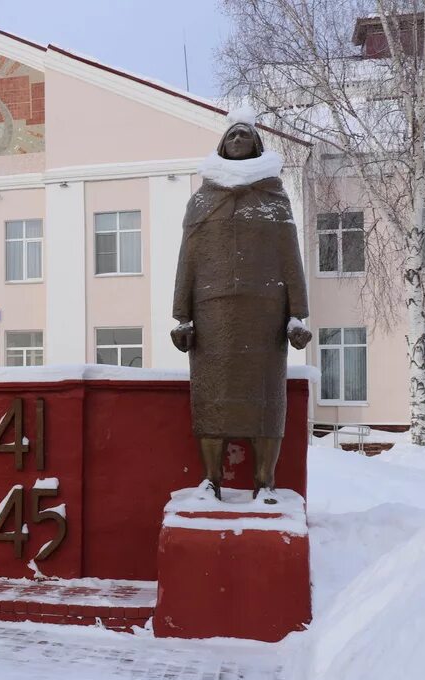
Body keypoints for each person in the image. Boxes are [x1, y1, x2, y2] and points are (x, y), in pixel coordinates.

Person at [171, 109, 311, 503]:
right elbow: (189, 258)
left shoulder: (273, 198)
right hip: (212, 314)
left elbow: (290, 256)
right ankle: (210, 480)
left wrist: (296, 315)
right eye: (231, 136)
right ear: (222, 146)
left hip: (264, 316)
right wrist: (182, 316)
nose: (236, 141)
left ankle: (264, 482)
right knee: (212, 401)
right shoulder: (202, 200)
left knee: (266, 402)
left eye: (243, 136)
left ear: (256, 145)